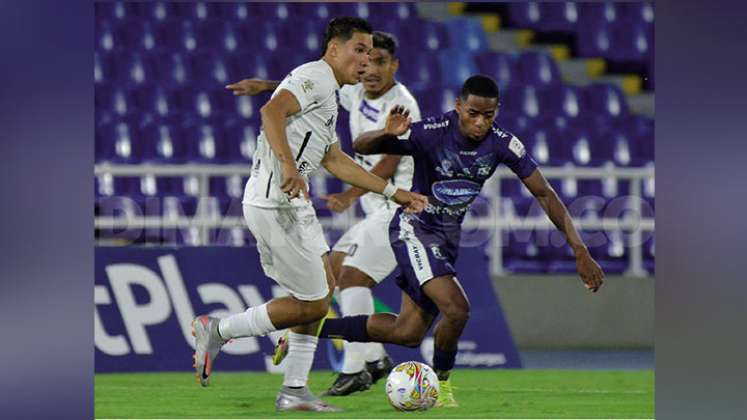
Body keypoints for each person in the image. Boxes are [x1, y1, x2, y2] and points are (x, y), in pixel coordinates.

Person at [312, 75, 606, 408]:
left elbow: (544, 193)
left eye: (488, 115)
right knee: (457, 308)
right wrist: (386, 133)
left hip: (446, 237)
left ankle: (311, 327)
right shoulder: (431, 132)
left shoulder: (502, 144)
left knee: (406, 333)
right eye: (473, 113)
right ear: (458, 107)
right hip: (413, 228)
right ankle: (441, 389)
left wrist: (580, 249)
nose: (480, 122)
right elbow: (362, 146)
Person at [191, 17, 427, 413]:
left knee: (325, 288)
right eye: (359, 50)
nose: (366, 60)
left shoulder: (330, 93)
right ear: (334, 49)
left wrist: (395, 192)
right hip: (273, 202)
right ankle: (218, 329)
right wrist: (288, 167)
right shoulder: (315, 76)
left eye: (370, 53)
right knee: (315, 303)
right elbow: (271, 113)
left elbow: (335, 159)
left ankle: (295, 389)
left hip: (293, 205)